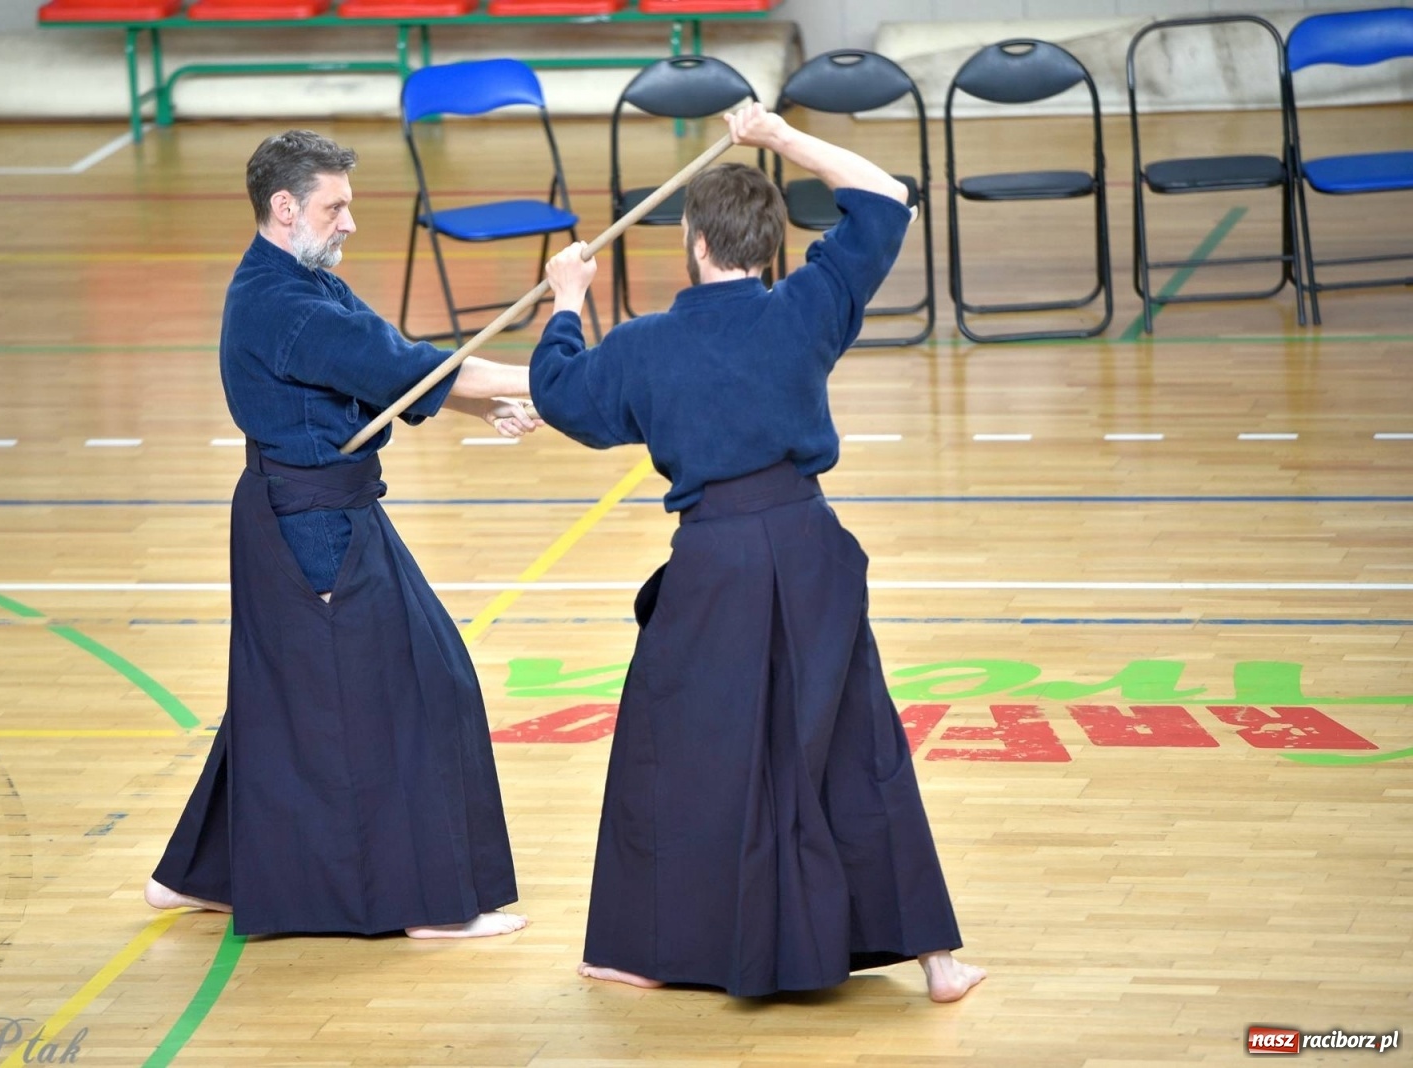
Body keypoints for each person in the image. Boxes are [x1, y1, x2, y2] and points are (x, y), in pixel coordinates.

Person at [529, 104, 985, 999]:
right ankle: (937, 960)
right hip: (810, 549)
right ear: (772, 246)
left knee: (674, 748)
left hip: (716, 568)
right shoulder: (805, 309)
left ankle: (643, 950)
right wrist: (779, 137)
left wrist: (566, 301)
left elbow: (559, 394)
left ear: (695, 243)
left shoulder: (645, 346)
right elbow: (886, 197)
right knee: (857, 739)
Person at [145, 129, 536, 940]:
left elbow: (397, 367)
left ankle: (199, 875)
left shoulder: (299, 282)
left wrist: (478, 403)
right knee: (415, 694)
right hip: (315, 530)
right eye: (337, 206)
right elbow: (402, 368)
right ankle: (424, 904)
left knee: (281, 699)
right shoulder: (285, 306)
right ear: (285, 208)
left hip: (318, 512)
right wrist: (566, 380)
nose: (351, 221)